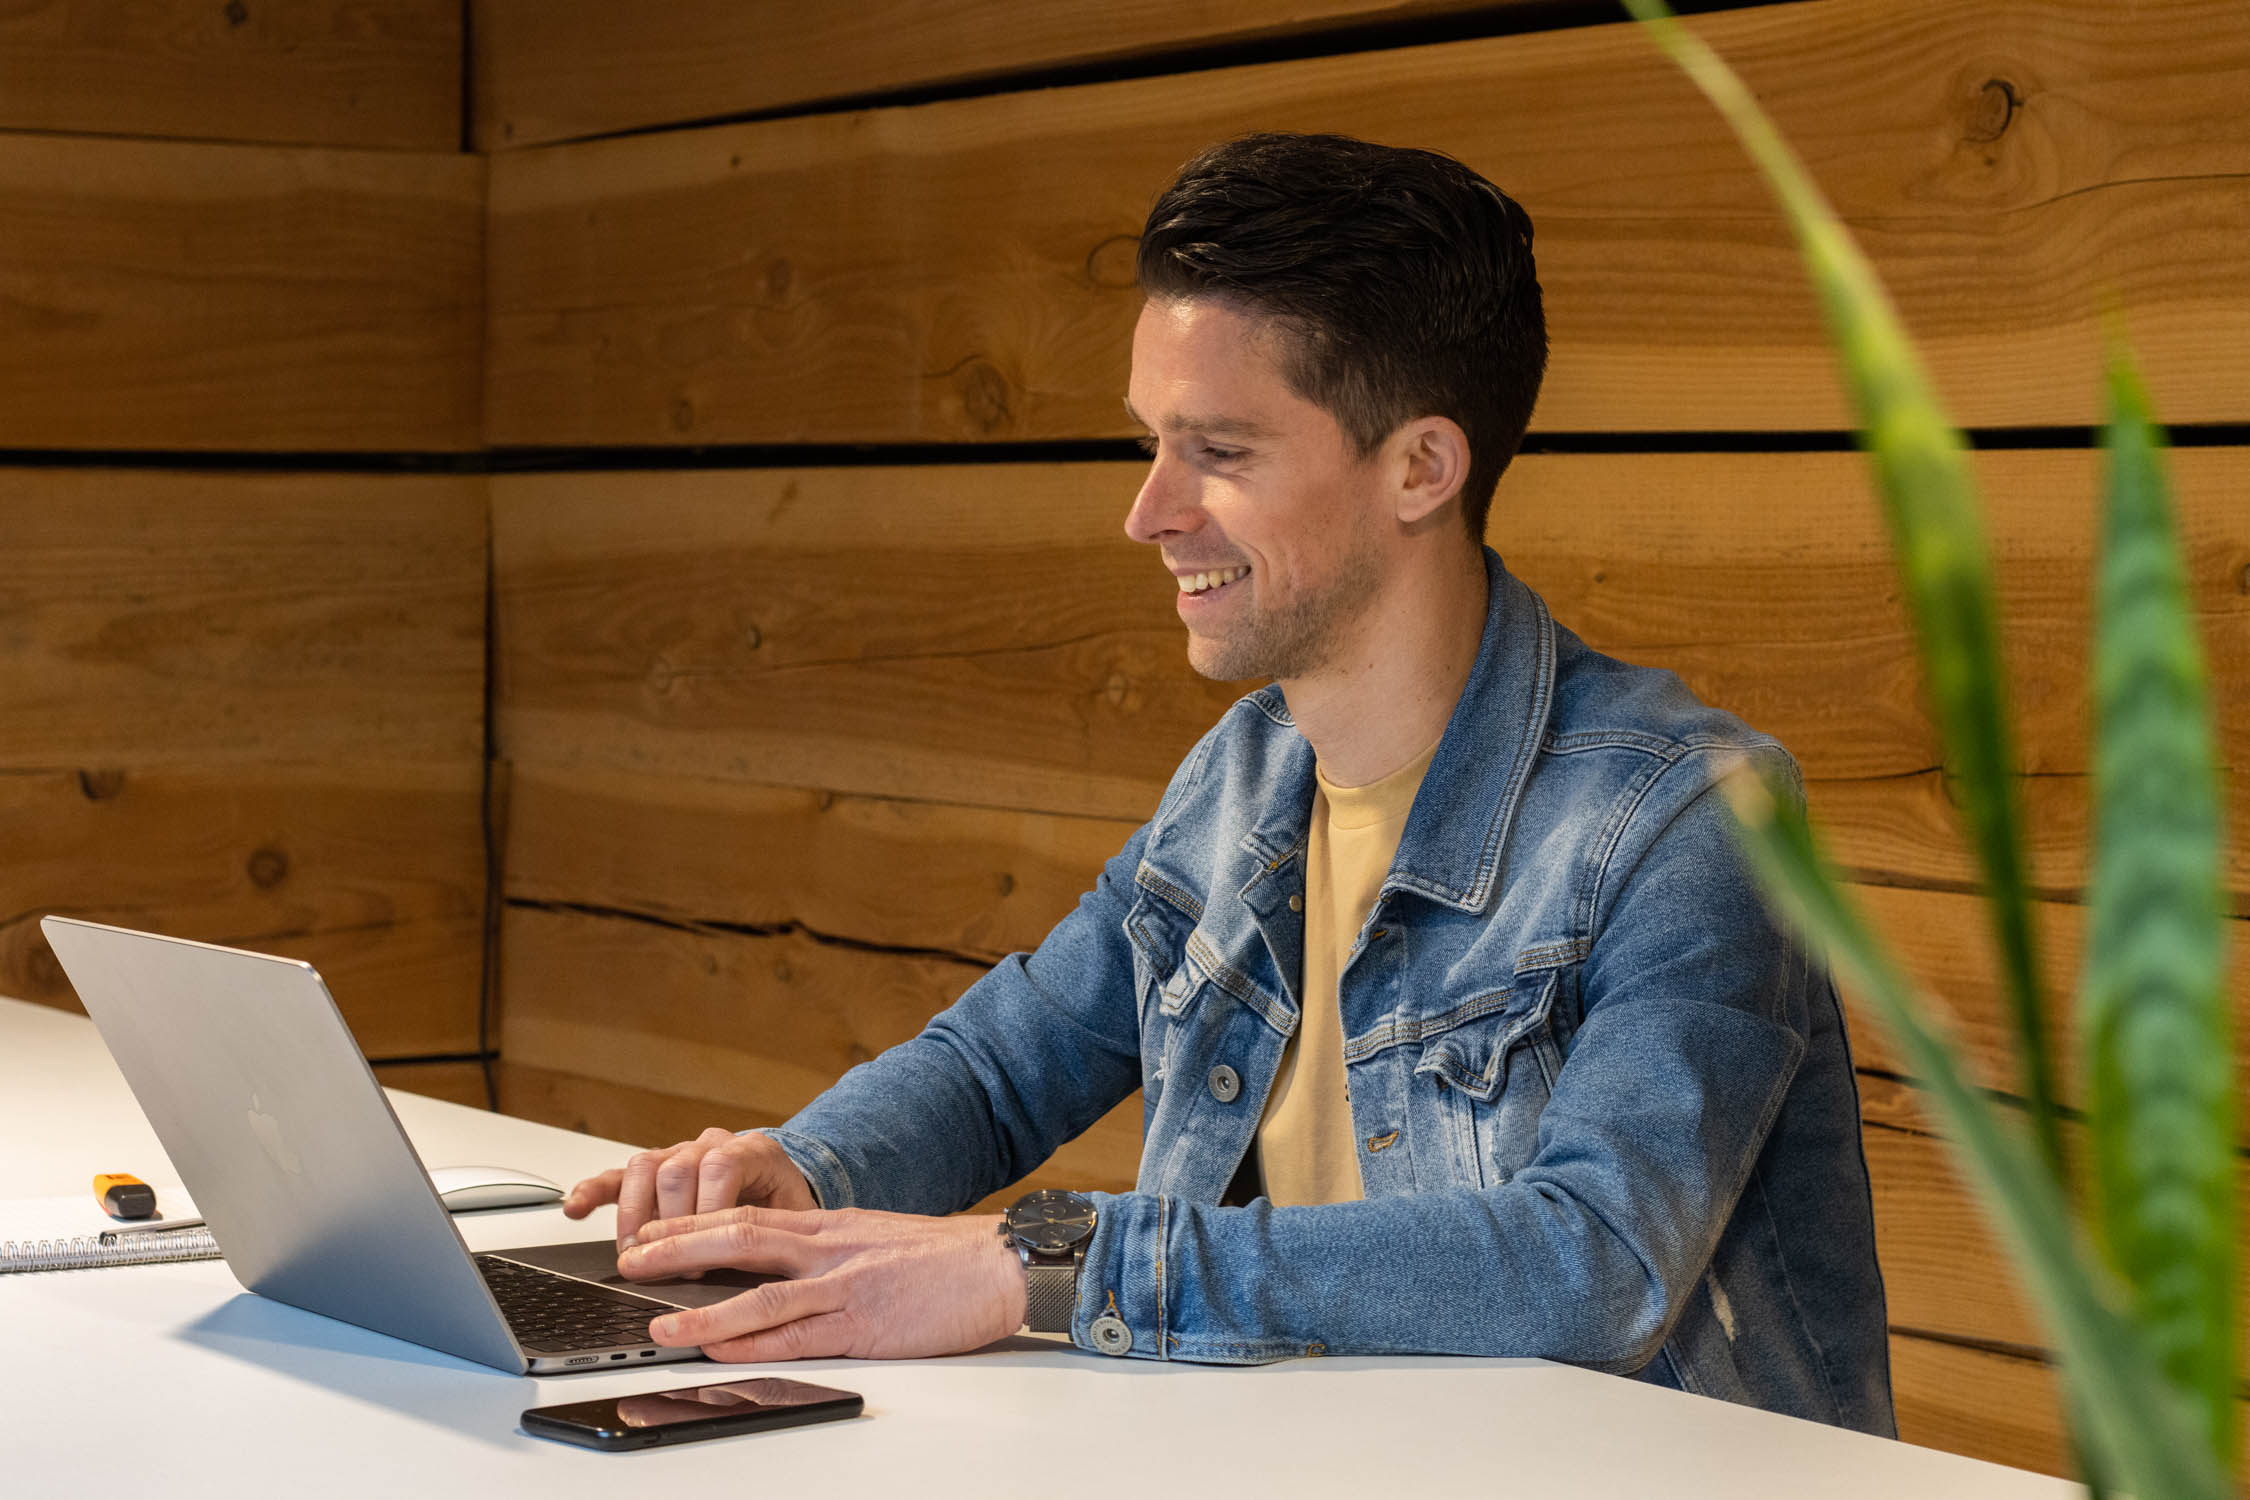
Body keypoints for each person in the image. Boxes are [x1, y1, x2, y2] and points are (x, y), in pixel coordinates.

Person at [564, 131, 1893, 1435]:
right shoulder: (1246, 778)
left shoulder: (1690, 820)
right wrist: (795, 1170)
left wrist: (1047, 1263)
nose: (1147, 513)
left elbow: (1590, 1261)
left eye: (1219, 452)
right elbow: (1006, 1061)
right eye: (1150, 443)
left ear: (1421, 467)